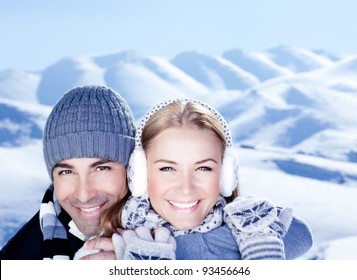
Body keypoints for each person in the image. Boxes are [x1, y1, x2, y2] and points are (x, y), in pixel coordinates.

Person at [97, 98, 313, 260]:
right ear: (141, 175)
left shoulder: (246, 218)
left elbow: (300, 234)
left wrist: (179, 253)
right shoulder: (105, 248)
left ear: (226, 174)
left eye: (203, 168)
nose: (186, 189)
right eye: (167, 168)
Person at [0, 85, 136, 260]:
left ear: (132, 169)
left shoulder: (175, 237)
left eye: (101, 168)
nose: (84, 195)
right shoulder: (17, 259)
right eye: (66, 172)